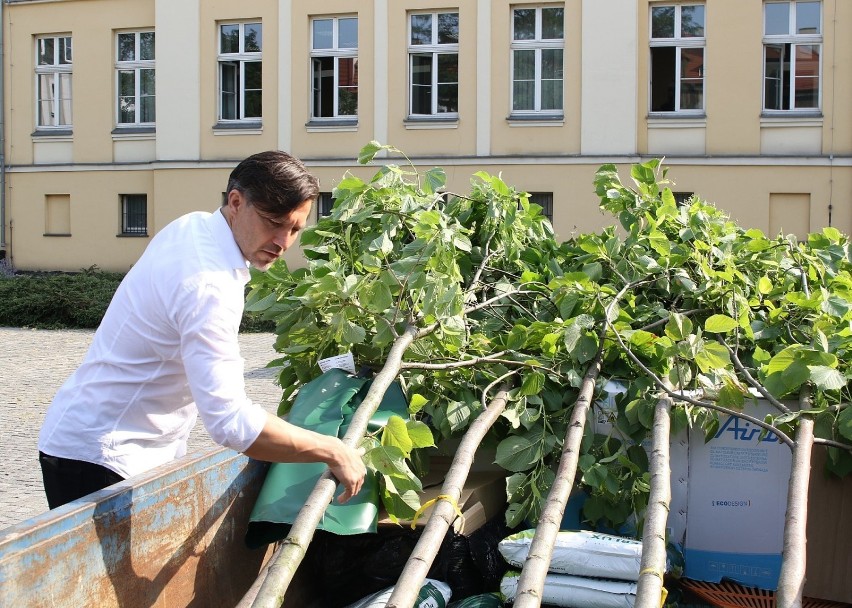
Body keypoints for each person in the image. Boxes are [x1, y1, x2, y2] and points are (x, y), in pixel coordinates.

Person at [38, 150, 366, 509]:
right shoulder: (208, 284)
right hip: (105, 454)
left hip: (98, 441)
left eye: (295, 229)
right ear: (236, 202)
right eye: (274, 222)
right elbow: (229, 422)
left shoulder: (195, 226)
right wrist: (330, 448)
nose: (283, 242)